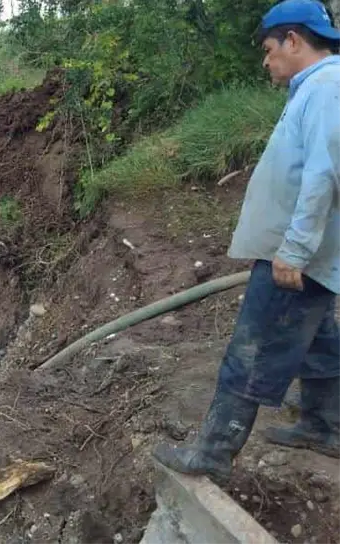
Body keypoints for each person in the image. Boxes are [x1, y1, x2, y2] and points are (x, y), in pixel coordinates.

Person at [152, 0, 340, 484]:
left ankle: (212, 454)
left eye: (269, 49)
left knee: (252, 349)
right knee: (318, 341)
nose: (265, 60)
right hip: (312, 254)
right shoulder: (320, 87)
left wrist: (294, 250)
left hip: (298, 254)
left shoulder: (326, 88)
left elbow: (323, 176)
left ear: (293, 40)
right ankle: (325, 427)